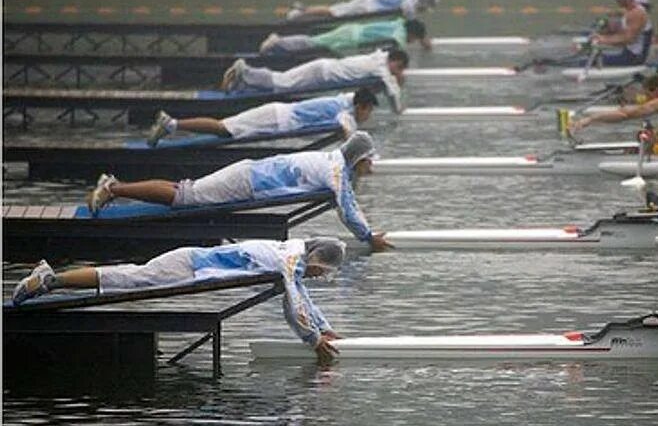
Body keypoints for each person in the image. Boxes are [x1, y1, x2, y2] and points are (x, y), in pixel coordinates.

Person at [12, 237, 348, 364]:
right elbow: (293, 305)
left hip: (192, 262)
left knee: (129, 277)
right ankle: (52, 279)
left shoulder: (289, 252)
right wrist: (314, 340)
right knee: (130, 279)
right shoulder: (288, 262)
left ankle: (51, 279)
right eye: (324, 272)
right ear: (317, 260)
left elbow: (300, 296)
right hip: (189, 264)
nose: (320, 277)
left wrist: (326, 328)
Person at [86, 131, 393, 252]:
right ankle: (112, 187)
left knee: (185, 192)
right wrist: (368, 238)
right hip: (247, 182)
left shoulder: (332, 160)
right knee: (185, 197)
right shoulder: (336, 172)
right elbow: (348, 209)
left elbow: (348, 201)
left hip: (249, 176)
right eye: (369, 161)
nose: (372, 167)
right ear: (359, 158)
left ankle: (115, 186)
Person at [146, 88, 378, 147]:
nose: (367, 116)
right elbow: (350, 134)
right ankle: (172, 124)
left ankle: (173, 124)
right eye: (368, 110)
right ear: (360, 106)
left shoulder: (342, 100)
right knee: (224, 128)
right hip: (275, 117)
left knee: (225, 127)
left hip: (276, 114)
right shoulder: (344, 111)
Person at [568, 73, 658, 155]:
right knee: (650, 141)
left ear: (656, 91)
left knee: (652, 148)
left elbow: (625, 115)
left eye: (647, 93)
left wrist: (590, 119)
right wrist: (648, 142)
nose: (646, 98)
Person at [220, 48, 408, 109]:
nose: (396, 72)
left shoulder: (379, 57)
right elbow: (393, 95)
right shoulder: (380, 66)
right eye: (398, 68)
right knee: (282, 83)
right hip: (322, 72)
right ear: (394, 61)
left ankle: (242, 81)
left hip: (323, 69)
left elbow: (382, 86)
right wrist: (400, 111)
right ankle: (244, 70)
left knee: (282, 81)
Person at [260, 18, 430, 56]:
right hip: (350, 38)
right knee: (315, 43)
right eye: (415, 38)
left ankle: (280, 42)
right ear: (412, 34)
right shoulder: (399, 33)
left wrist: (423, 39)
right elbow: (398, 44)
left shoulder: (399, 23)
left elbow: (408, 22)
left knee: (317, 42)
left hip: (351, 31)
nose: (413, 42)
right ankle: (278, 42)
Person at [590, 0, 653, 66]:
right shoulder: (629, 11)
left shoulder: (637, 13)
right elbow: (623, 31)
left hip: (634, 58)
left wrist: (603, 40)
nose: (616, 0)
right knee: (593, 57)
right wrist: (606, 30)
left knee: (590, 61)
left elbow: (628, 39)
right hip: (628, 53)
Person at [287, 0, 440, 21]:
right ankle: (301, 12)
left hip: (369, 3)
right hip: (368, 6)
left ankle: (303, 10)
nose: (424, 11)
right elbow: (408, 15)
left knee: (336, 10)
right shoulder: (410, 2)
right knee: (334, 12)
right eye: (425, 8)